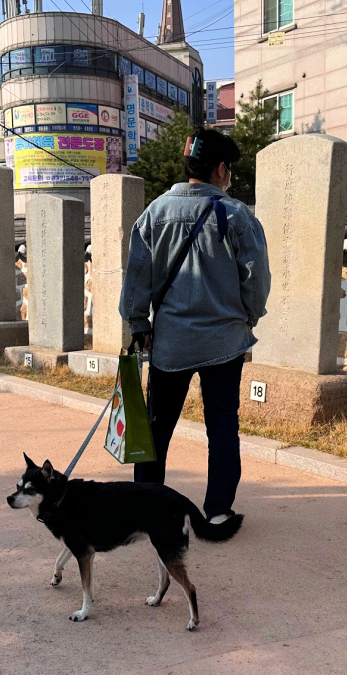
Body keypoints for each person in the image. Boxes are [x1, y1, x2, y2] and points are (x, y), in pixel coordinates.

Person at [119, 127, 271, 524]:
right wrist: (248, 316)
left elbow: (136, 276)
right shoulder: (236, 215)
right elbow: (255, 277)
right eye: (229, 170)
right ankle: (218, 510)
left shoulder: (154, 213)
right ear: (221, 170)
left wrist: (139, 321)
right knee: (222, 425)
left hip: (171, 342)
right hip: (225, 339)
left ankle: (148, 508)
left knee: (157, 429)